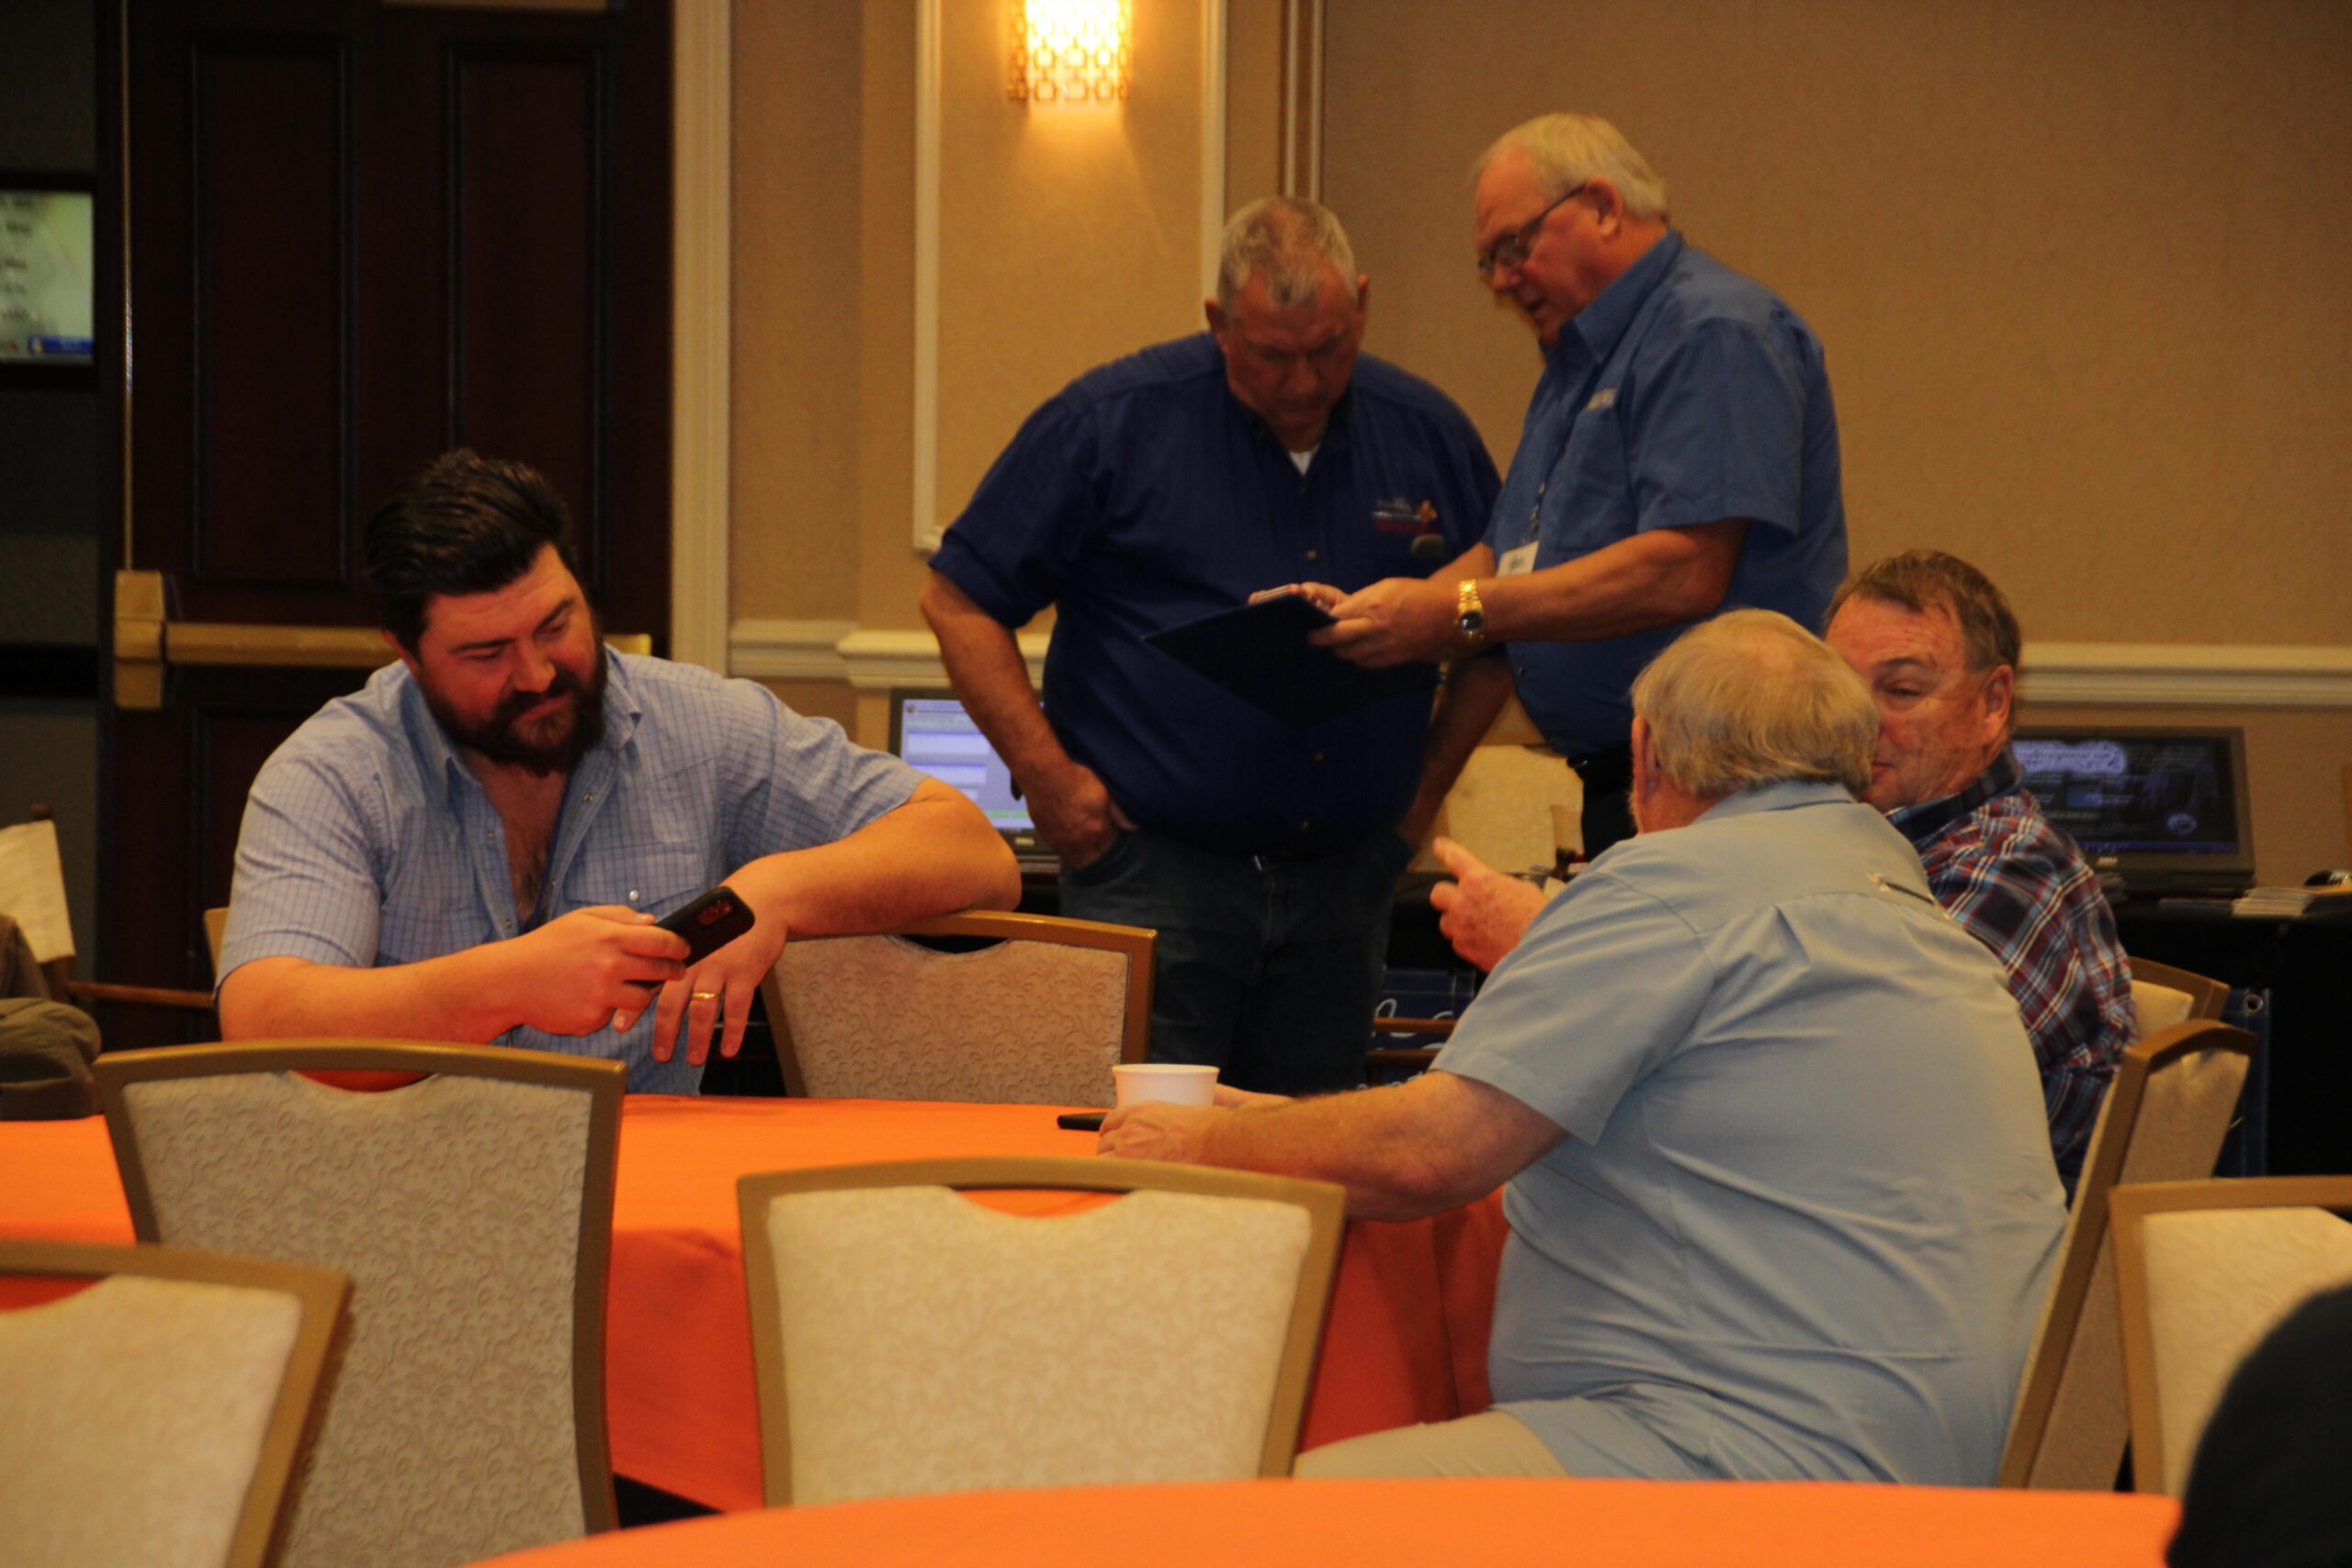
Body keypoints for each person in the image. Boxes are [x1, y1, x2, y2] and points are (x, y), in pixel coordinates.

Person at [1101, 611, 2064, 1484]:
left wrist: (1201, 1144)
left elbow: (1429, 1154)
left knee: (1254, 1509)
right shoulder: (1923, 923)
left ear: (1645, 755)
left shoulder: (1666, 886)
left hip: (1744, 1461)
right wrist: (1275, 1125)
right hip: (1971, 1476)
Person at [919, 197, 1501, 1095]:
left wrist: (1420, 799)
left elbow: (1499, 624)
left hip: (1345, 886)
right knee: (1149, 1152)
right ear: (1218, 322)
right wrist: (1050, 782)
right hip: (1153, 874)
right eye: (1271, 354)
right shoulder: (1110, 423)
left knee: (1313, 1158)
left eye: (1328, 349)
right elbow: (958, 599)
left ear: (1362, 305)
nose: (1303, 382)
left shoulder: (1427, 433)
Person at [217, 450, 1019, 1090]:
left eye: (555, 624)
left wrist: (770, 894)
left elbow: (974, 851)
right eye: (486, 653)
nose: (537, 674)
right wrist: (512, 982)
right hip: (411, 1200)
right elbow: (263, 1020)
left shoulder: (699, 726)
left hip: (646, 1190)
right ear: (407, 654)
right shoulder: (337, 771)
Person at [1309, 114, 1847, 859]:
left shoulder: (1711, 330)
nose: (1502, 280)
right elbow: (1504, 555)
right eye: (1489, 262)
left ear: (1602, 205)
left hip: (1728, 790)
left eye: (1515, 246)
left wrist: (1458, 610)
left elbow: (1685, 568)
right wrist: (1376, 616)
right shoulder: (1575, 363)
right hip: (1644, 785)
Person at [1823, 549, 2136, 1189]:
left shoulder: (2010, 871)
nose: (1858, 721)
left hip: (1960, 1238)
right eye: (1838, 691)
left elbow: (1863, 1092)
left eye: (1901, 691)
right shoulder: (1860, 843)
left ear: (1993, 702)